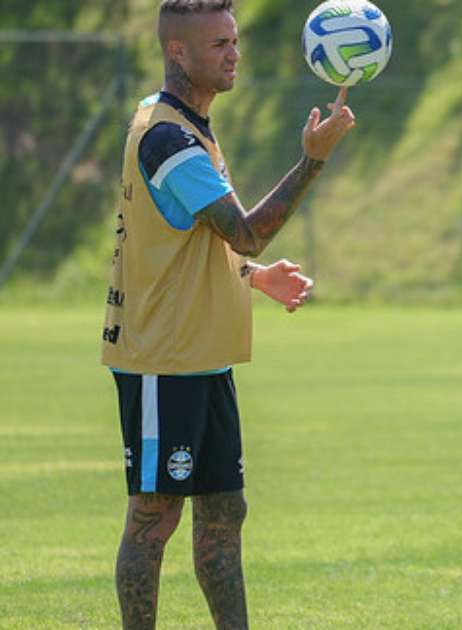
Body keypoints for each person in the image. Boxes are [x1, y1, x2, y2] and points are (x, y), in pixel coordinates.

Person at [100, 0, 356, 626]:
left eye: (234, 40)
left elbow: (202, 243)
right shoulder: (166, 139)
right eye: (218, 44)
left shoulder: (189, 128)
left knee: (224, 510)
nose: (234, 53)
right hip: (162, 356)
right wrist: (313, 159)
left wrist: (252, 278)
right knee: (154, 516)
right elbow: (243, 233)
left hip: (202, 354)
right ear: (177, 52)